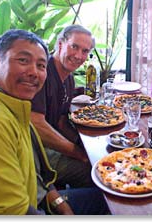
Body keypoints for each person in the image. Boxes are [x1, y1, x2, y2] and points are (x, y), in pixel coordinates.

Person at [0, 29, 109, 215]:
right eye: (23, 60)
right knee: (102, 186)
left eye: (40, 65)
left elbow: (36, 173)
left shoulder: (13, 108)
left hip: (40, 200)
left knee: (105, 196)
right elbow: (13, 213)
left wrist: (60, 203)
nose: (33, 72)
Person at [31, 25, 95, 189]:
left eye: (85, 51)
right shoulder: (42, 72)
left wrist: (81, 144)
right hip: (33, 150)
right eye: (74, 47)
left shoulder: (68, 78)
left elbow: (60, 122)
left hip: (49, 143)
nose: (79, 56)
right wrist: (78, 153)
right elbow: (36, 125)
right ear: (60, 44)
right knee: (93, 172)